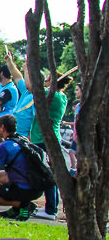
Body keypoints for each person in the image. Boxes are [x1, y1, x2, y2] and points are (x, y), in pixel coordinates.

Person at [29, 70, 71, 220]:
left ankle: (51, 209)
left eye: (48, 78)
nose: (45, 80)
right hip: (51, 137)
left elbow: (31, 87)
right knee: (50, 174)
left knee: (46, 174)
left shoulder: (51, 96)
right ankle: (50, 207)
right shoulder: (62, 97)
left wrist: (28, 68)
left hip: (44, 138)